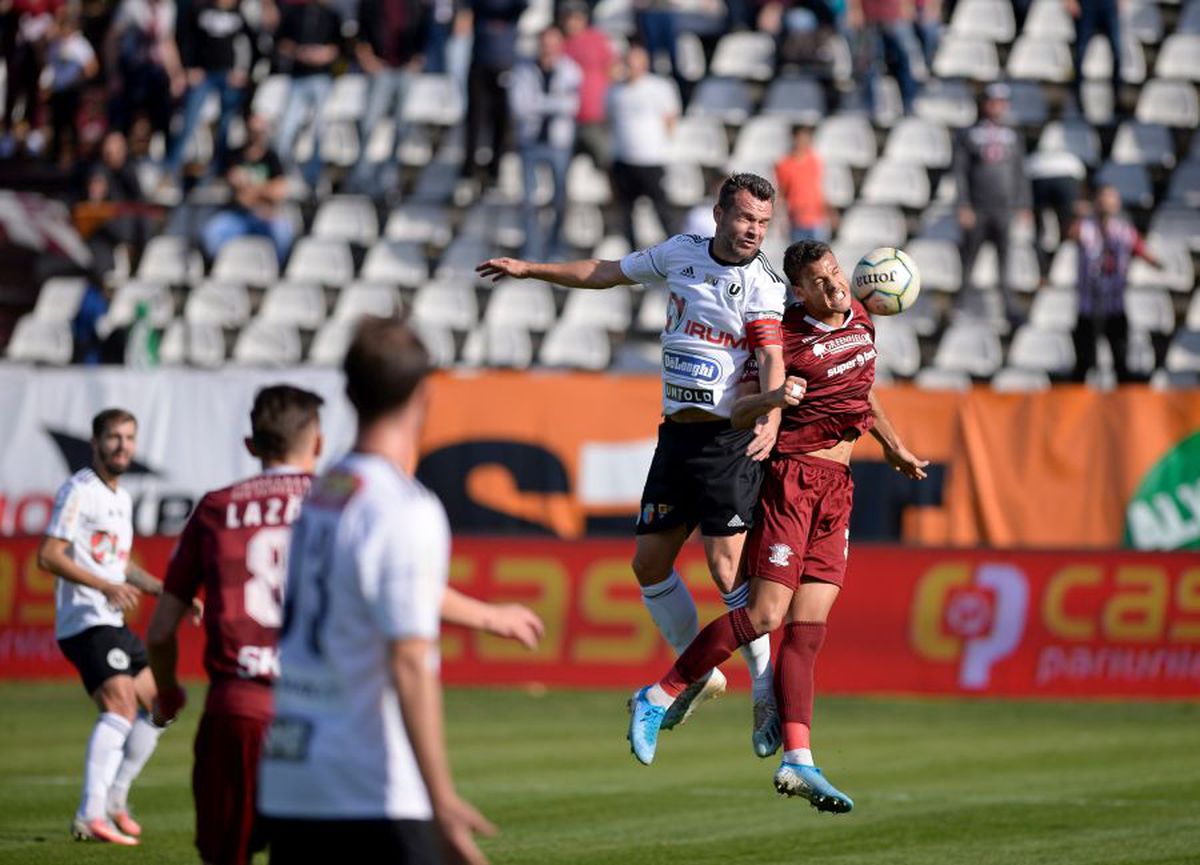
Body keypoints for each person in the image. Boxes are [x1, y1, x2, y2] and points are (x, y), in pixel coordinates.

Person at [148, 383, 544, 865]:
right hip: (318, 714)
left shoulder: (215, 508)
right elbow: (403, 587)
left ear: (252, 446)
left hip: (238, 709)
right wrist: (489, 615)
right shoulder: (334, 501)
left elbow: (162, 629)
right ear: (315, 443)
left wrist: (167, 691)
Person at [477, 173, 789, 755]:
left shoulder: (764, 285)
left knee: (727, 571)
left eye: (763, 223)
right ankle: (697, 674)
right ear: (720, 214)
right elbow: (605, 272)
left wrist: (769, 415)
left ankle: (767, 691)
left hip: (730, 440)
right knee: (648, 565)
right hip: (677, 437)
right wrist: (530, 269)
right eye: (746, 218)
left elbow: (771, 356)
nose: (753, 231)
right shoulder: (680, 254)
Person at [626, 239, 928, 813]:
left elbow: (865, 394)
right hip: (793, 482)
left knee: (808, 631)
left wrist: (894, 445)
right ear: (799, 291)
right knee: (765, 614)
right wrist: (772, 398)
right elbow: (739, 410)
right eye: (818, 281)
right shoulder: (785, 338)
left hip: (838, 494)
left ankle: (799, 760)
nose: (834, 286)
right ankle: (658, 694)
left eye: (835, 273)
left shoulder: (862, 315)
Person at [258, 318, 543, 864]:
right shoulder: (403, 506)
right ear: (424, 393)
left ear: (346, 393)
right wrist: (440, 800)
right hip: (368, 788)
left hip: (293, 780)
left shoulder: (323, 495)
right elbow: (410, 660)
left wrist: (484, 616)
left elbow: (371, 589)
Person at [37, 408, 193, 845]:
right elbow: (48, 555)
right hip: (85, 619)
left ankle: (116, 798)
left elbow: (117, 561)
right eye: (113, 438)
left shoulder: (121, 498)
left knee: (165, 704)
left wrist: (163, 589)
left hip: (109, 618)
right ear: (95, 443)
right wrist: (104, 586)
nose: (122, 445)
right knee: (121, 705)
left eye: (129, 438)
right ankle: (90, 814)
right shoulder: (78, 490)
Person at [954, 82, 1031, 327]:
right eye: (992, 101)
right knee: (968, 261)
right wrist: (963, 204)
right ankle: (959, 308)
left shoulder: (1013, 135)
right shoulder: (969, 134)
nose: (996, 107)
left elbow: (1020, 171)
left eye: (1001, 102)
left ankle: (1009, 309)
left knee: (1005, 263)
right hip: (977, 208)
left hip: (1004, 209)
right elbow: (960, 171)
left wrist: (1023, 203)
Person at [1069, 184, 1161, 384]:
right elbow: (1071, 233)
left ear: (1117, 203)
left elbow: (1144, 252)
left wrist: (1158, 263)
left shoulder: (1124, 231)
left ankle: (1123, 410)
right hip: (1088, 308)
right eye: (1102, 198)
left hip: (1115, 307)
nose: (1106, 203)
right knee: (1083, 363)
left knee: (1121, 363)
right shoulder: (1084, 228)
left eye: (1111, 198)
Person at [508, 26, 581, 259]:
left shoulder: (571, 70)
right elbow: (520, 107)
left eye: (553, 43)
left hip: (559, 143)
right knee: (529, 201)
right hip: (530, 141)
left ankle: (555, 250)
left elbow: (571, 106)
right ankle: (532, 252)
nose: (548, 48)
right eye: (544, 43)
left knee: (559, 199)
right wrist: (553, 103)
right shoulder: (523, 70)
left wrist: (538, 103)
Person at [165, 0, 254, 181]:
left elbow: (252, 43)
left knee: (225, 125)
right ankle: (170, 170)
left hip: (228, 76)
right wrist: (188, 68)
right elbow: (184, 39)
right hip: (203, 75)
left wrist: (243, 72)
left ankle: (220, 170)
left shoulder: (239, 13)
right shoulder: (198, 9)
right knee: (189, 121)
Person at [606, 41, 679, 249]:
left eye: (637, 62)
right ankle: (632, 258)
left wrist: (662, 148)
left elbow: (671, 119)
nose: (632, 66)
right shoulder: (614, 91)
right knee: (626, 214)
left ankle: (677, 254)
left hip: (652, 160)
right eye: (629, 62)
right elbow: (610, 122)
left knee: (663, 212)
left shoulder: (660, 87)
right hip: (623, 160)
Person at [201, 114, 294, 265]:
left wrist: (252, 188)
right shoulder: (234, 155)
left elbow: (280, 191)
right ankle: (219, 270)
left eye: (260, 131)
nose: (256, 135)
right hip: (237, 215)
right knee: (212, 233)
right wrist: (260, 191)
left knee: (283, 233)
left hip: (265, 216)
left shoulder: (272, 158)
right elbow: (237, 193)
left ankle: (277, 271)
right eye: (253, 130)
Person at [273, 0, 343, 189]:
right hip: (298, 79)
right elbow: (280, 43)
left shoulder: (333, 16)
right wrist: (299, 52)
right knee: (284, 132)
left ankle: (313, 179)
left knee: (320, 131)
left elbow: (340, 48)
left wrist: (324, 54)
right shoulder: (293, 13)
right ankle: (287, 174)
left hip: (322, 79)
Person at [461, 0, 527, 190]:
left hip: (504, 67)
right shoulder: (480, 6)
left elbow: (521, 7)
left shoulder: (512, 7)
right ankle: (468, 170)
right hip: (480, 66)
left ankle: (494, 170)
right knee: (475, 120)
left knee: (501, 121)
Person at [561, 1, 614, 171]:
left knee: (606, 162)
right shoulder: (560, 43)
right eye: (568, 18)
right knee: (562, 165)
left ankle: (615, 197)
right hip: (565, 116)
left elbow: (613, 69)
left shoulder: (596, 39)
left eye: (576, 18)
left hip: (595, 115)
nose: (572, 22)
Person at [848, 0, 918, 117]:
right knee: (869, 64)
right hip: (869, 21)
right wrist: (855, 10)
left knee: (903, 62)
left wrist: (907, 7)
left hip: (894, 19)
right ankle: (870, 109)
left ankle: (908, 106)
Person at [774, 126, 830, 243]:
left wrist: (828, 210)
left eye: (806, 139)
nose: (803, 142)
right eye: (800, 138)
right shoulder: (784, 164)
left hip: (817, 219)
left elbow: (819, 188)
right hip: (796, 220)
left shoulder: (815, 160)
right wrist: (780, 219)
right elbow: (782, 193)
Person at [1067, 0, 1120, 112]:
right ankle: (1077, 99)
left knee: (1117, 53)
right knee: (1080, 52)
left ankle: (1116, 99)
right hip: (1086, 4)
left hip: (1108, 4)